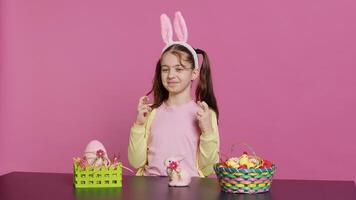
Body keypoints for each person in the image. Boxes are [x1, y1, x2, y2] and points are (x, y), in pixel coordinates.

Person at [128, 11, 220, 177]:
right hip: (150, 187)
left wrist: (207, 130)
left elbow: (208, 168)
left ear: (194, 73)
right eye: (165, 69)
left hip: (189, 189)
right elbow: (136, 162)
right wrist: (139, 125)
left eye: (179, 69)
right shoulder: (151, 112)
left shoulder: (205, 114)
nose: (171, 75)